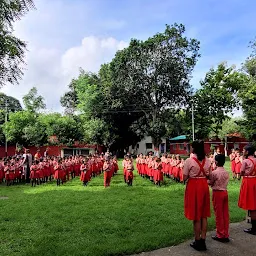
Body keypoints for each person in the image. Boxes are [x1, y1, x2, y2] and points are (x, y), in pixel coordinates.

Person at [183, 141, 212, 251]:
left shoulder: (189, 161)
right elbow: (209, 175)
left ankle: (197, 240)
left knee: (196, 215)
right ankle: (203, 240)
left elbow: (184, 176)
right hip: (204, 185)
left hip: (194, 186)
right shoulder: (208, 161)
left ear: (193, 149)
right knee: (203, 215)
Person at [208, 154, 230, 242]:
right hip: (225, 192)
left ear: (216, 162)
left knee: (219, 214)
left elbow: (210, 182)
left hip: (217, 193)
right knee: (225, 214)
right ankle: (225, 233)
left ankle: (220, 234)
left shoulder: (214, 172)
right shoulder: (226, 172)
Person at [238, 144, 256, 235]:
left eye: (244, 150)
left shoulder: (245, 161)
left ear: (247, 152)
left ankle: (254, 228)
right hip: (255, 180)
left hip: (248, 182)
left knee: (252, 205)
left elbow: (241, 172)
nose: (243, 151)